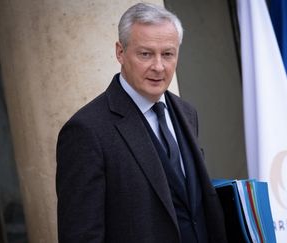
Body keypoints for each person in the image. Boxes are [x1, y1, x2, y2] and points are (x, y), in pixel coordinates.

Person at [56, 3, 227, 243]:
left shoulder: (187, 112)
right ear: (120, 52)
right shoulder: (86, 130)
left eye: (167, 54)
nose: (158, 66)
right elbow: (80, 235)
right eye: (145, 54)